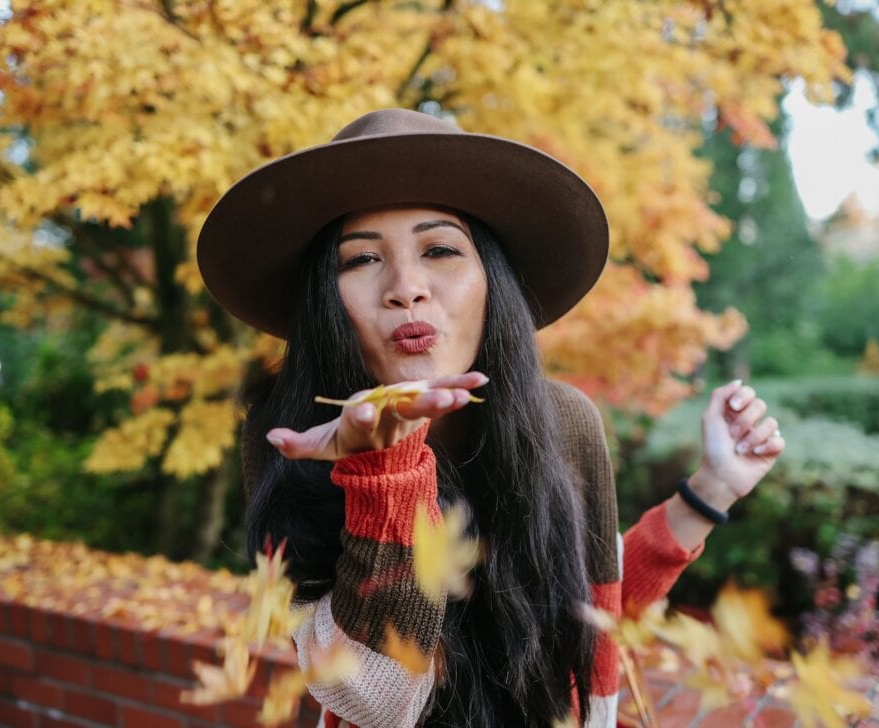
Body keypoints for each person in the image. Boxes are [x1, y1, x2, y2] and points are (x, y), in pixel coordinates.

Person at [196, 108, 785, 728]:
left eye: (441, 249)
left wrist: (713, 488)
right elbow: (371, 697)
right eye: (362, 260)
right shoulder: (289, 440)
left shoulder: (562, 421)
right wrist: (383, 472)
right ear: (326, 302)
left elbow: (590, 610)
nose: (406, 286)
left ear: (491, 281)